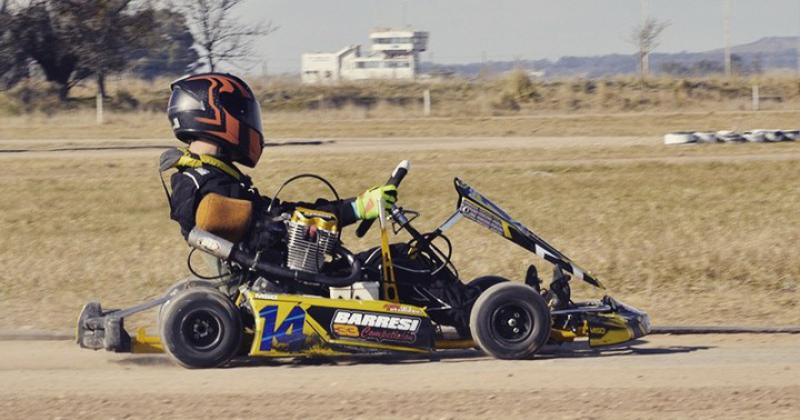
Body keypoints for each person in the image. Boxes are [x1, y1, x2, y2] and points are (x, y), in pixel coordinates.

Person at [159, 72, 396, 252]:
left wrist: (354, 207)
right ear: (211, 114)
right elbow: (271, 228)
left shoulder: (205, 175)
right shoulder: (209, 185)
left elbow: (274, 215)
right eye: (241, 113)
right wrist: (354, 209)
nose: (248, 121)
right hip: (272, 285)